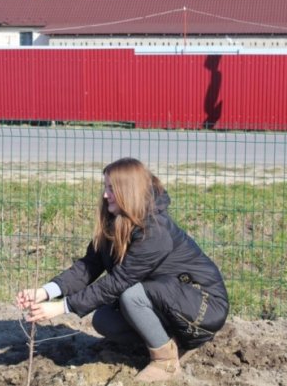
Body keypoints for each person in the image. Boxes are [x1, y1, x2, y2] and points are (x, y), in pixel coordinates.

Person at [16, 157, 229, 383]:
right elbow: (88, 266)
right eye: (105, 187)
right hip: (167, 300)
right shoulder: (116, 221)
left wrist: (63, 307)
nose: (105, 194)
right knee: (104, 320)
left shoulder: (155, 231)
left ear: (129, 191)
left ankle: (166, 362)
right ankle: (169, 341)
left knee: (131, 295)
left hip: (203, 307)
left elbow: (118, 282)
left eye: (111, 188)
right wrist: (45, 292)